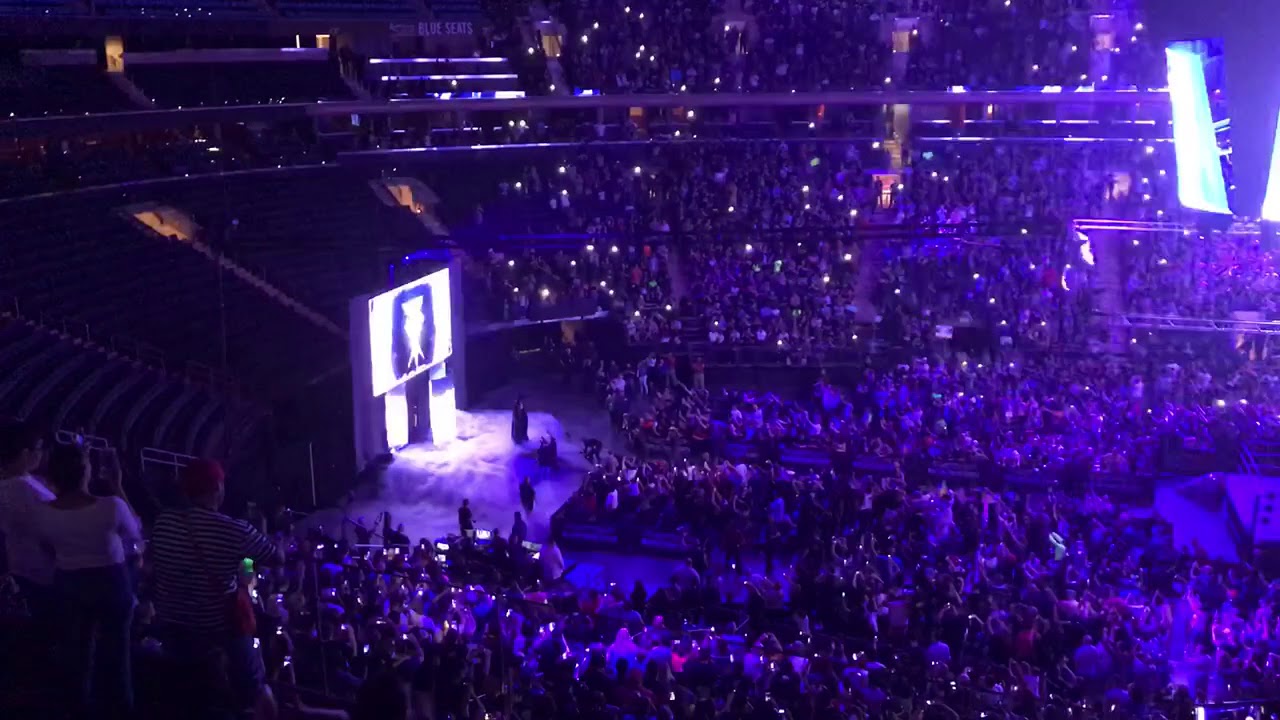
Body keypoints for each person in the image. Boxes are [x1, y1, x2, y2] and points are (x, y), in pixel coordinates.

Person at [149, 459, 282, 716]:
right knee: (255, 690)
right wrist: (261, 531)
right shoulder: (235, 530)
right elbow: (276, 557)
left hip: (173, 624)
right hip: (219, 628)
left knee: (190, 696)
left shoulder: (164, 521)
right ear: (218, 488)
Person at [34, 443, 142, 719]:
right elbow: (135, 533)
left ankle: (79, 709)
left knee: (77, 654)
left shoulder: (43, 512)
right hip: (111, 582)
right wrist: (117, 485)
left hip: (68, 581)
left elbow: (47, 549)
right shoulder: (111, 506)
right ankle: (120, 710)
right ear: (85, 472)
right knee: (117, 654)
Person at [0, 419, 55, 624]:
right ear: (25, 454)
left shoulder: (11, 484)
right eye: (39, 448)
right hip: (40, 578)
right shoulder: (26, 491)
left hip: (18, 574)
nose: (41, 454)